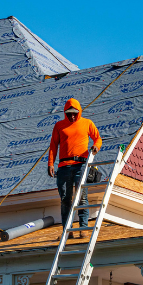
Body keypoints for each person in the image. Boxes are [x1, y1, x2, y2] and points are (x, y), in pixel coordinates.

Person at [47, 98, 101, 240]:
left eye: (74, 114)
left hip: (80, 165)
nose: (72, 116)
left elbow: (98, 138)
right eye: (69, 113)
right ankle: (67, 231)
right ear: (65, 113)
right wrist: (50, 163)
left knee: (81, 197)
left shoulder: (87, 123)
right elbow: (53, 146)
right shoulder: (59, 126)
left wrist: (96, 147)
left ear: (79, 112)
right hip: (64, 167)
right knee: (65, 199)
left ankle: (83, 229)